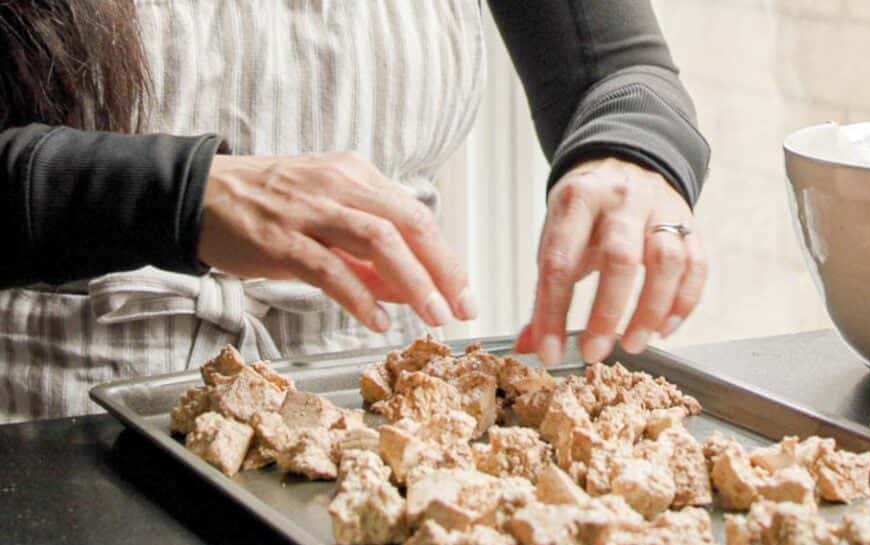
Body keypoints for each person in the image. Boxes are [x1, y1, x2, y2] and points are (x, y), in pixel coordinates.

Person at [0, 0, 710, 423]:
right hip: (51, 429)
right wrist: (176, 194)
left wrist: (632, 151)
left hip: (374, 425)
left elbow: (619, 69)